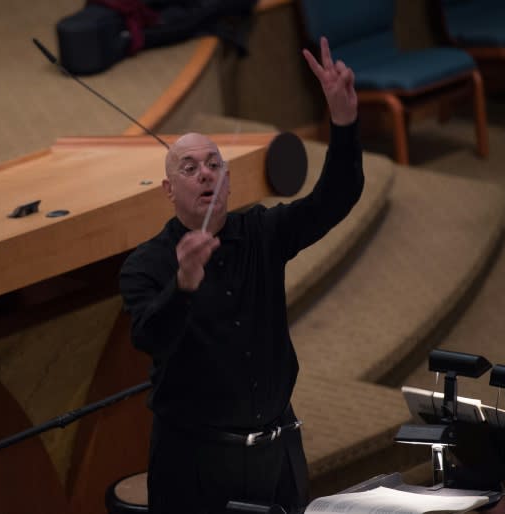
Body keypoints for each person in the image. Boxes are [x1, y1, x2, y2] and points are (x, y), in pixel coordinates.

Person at [119, 36, 361, 514]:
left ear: (228, 180)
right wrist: (184, 284)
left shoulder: (262, 232)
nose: (206, 174)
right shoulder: (146, 264)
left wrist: (344, 121)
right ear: (169, 190)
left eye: (214, 165)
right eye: (190, 168)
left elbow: (334, 198)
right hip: (195, 466)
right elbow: (149, 337)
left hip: (277, 455)